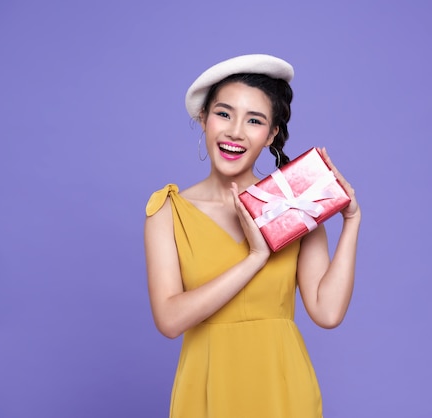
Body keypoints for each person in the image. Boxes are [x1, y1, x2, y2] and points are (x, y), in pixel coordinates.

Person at [144, 54, 361, 418]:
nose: (235, 131)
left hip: (283, 389)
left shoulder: (294, 203)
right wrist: (255, 258)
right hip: (207, 389)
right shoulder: (168, 210)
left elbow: (327, 311)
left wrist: (351, 220)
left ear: (271, 134)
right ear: (204, 119)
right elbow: (169, 319)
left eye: (254, 120)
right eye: (224, 114)